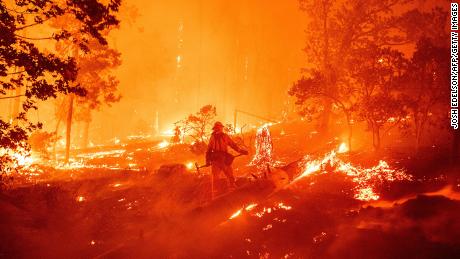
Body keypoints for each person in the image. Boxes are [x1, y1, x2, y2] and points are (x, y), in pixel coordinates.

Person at [206, 121, 248, 194]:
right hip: (216, 161)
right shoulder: (212, 137)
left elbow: (233, 145)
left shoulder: (225, 136)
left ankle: (232, 189)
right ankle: (216, 193)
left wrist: (241, 151)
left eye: (219, 128)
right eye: (217, 128)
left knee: (230, 175)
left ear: (221, 128)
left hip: (224, 159)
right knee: (215, 178)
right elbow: (209, 150)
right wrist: (207, 160)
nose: (218, 129)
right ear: (215, 129)